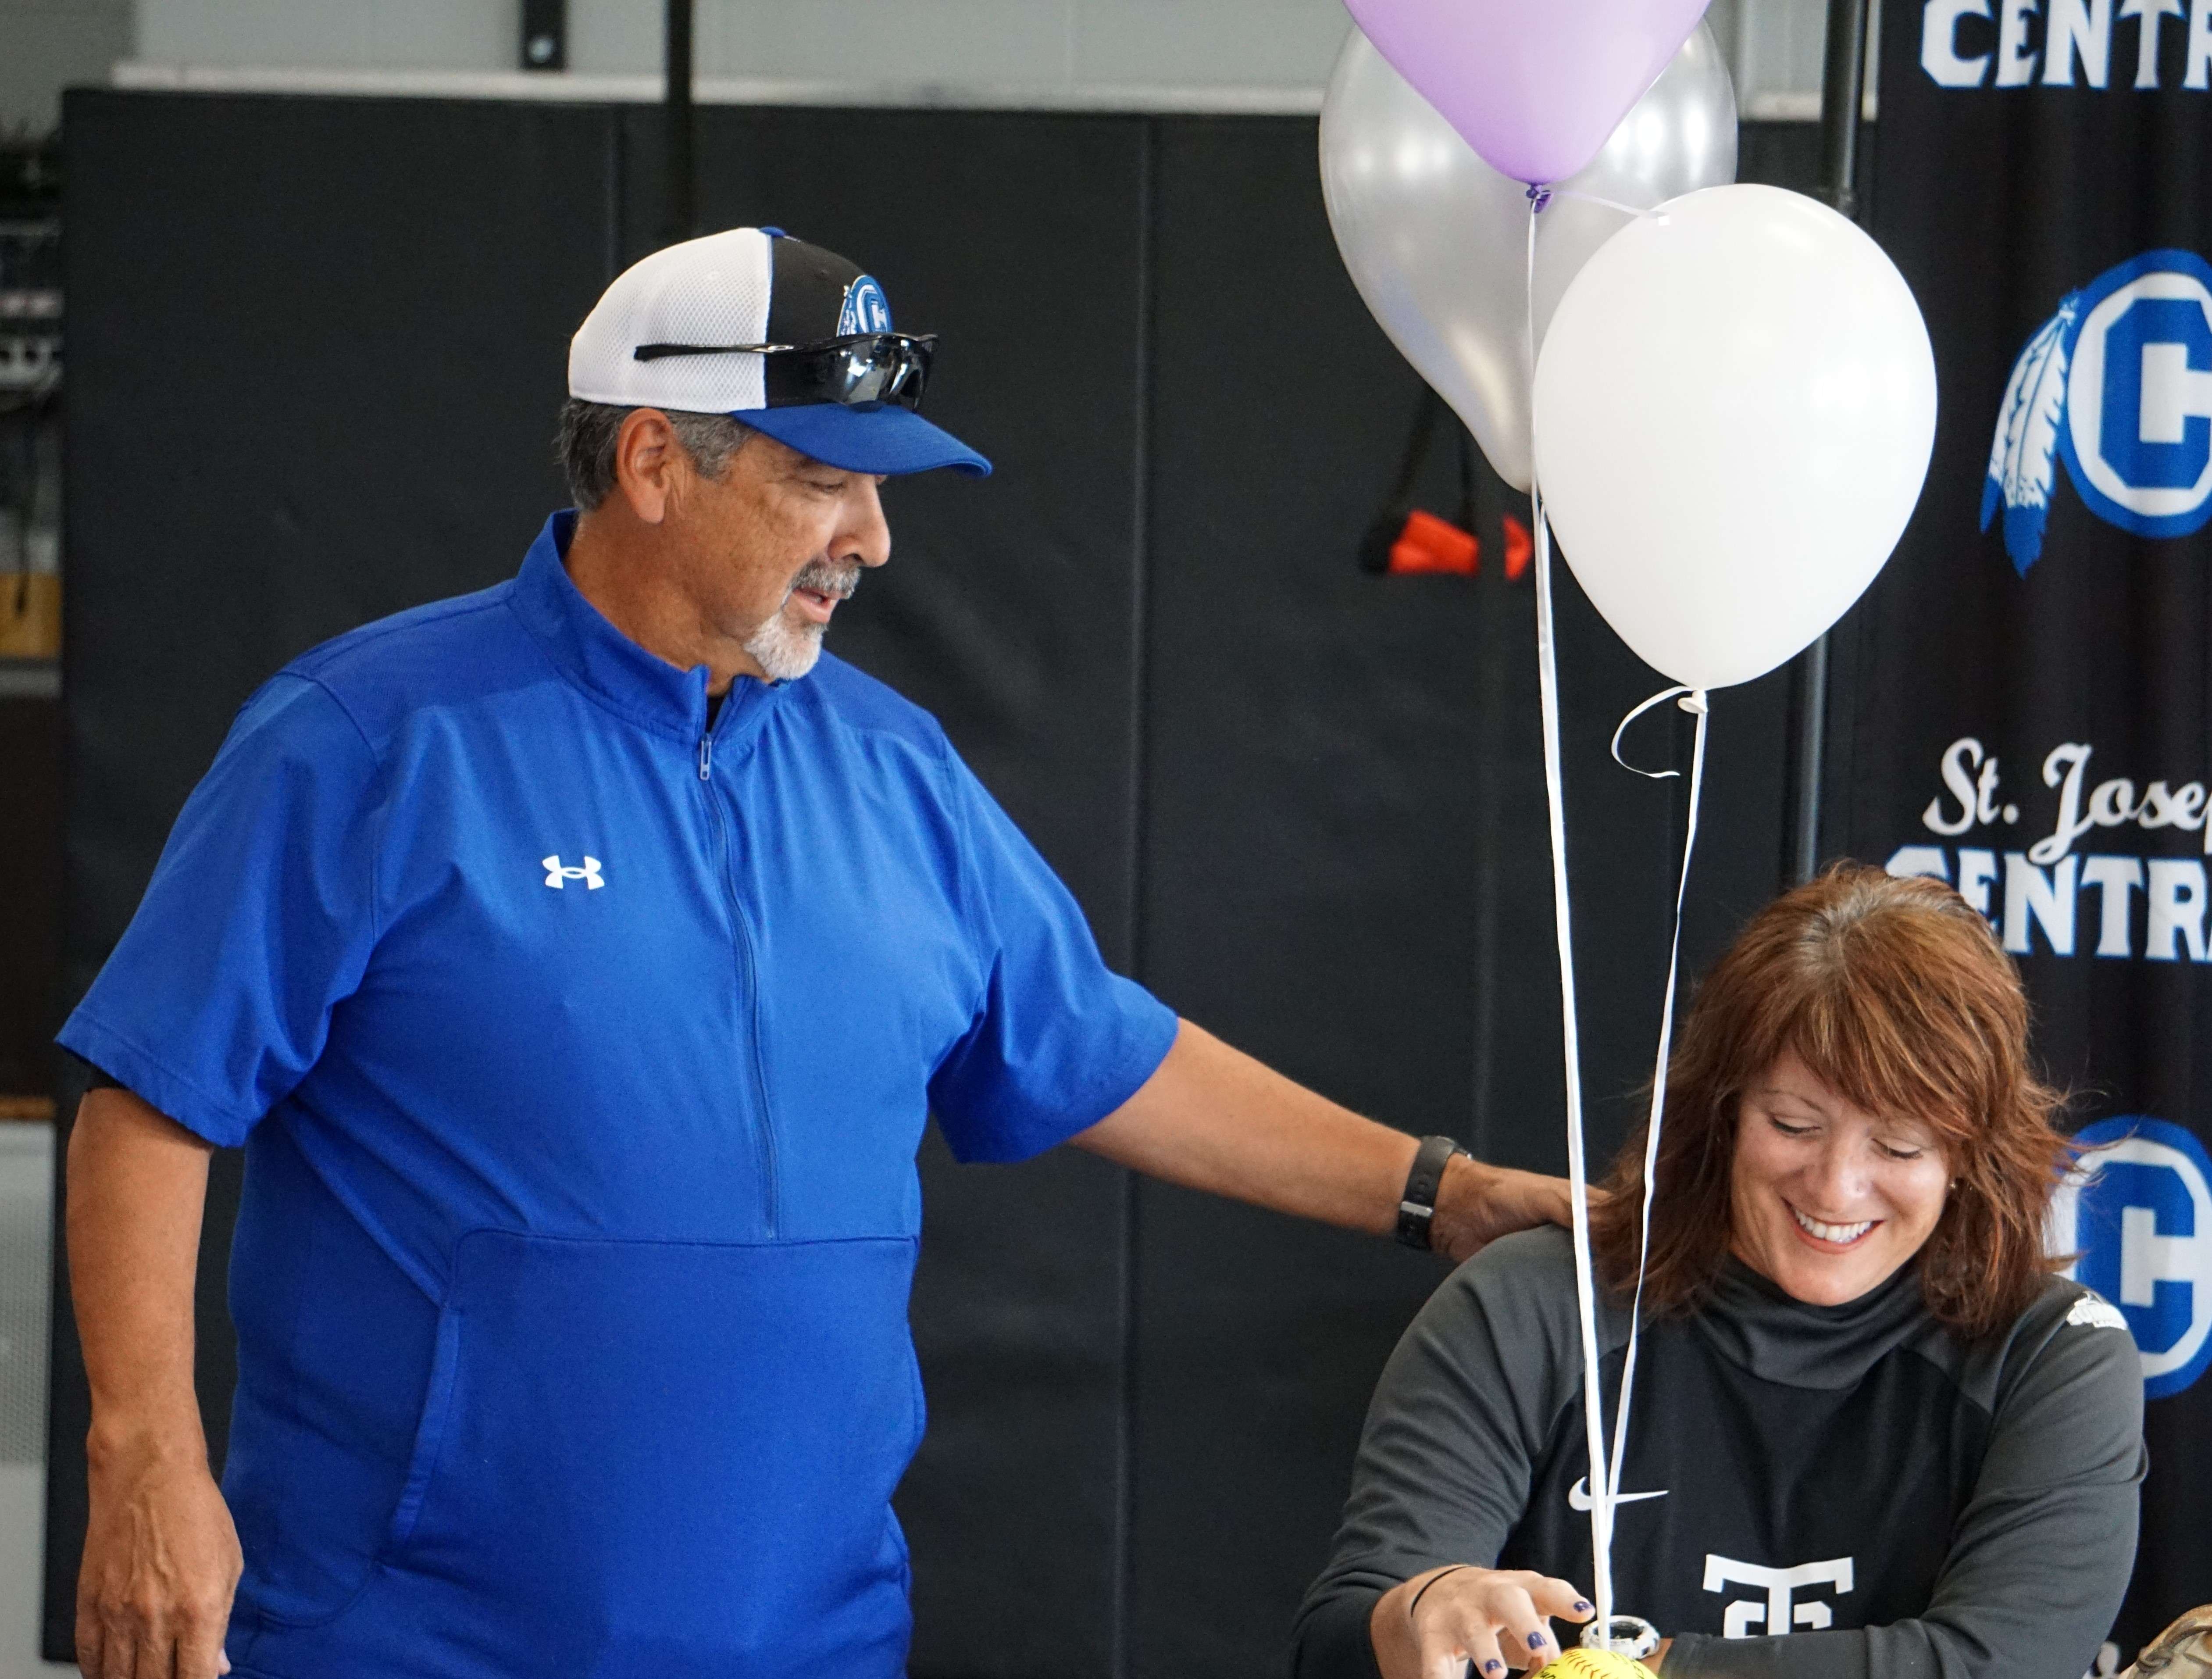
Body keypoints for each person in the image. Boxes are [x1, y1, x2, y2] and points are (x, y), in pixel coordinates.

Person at [57, 227, 1571, 1679]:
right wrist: (144, 1454)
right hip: (409, 1635)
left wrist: (1437, 1191)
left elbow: (1097, 1045)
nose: (874, 539)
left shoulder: (894, 767)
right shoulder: (369, 740)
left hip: (815, 1637)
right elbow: (151, 1094)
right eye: (819, 483)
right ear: (652, 460)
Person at [1295, 865, 2146, 1679]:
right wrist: (1423, 1610)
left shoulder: (2052, 1355)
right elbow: (1337, 1644)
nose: (1834, 1186)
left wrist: (1640, 1667)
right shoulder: (1532, 1305)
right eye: (1792, 1123)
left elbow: (1998, 1666)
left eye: (1897, 1144)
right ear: (1722, 1111)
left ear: (1967, 1155)